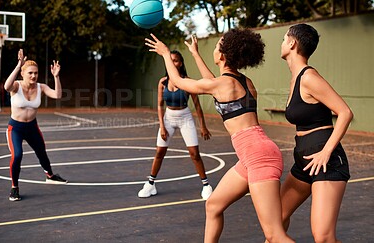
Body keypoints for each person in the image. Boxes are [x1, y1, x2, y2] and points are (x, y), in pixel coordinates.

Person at [145, 30, 294, 243]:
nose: (214, 49)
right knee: (213, 205)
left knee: (274, 234)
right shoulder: (242, 81)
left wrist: (166, 54)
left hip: (259, 156)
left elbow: (178, 81)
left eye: (217, 46)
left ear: (223, 55)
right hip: (253, 155)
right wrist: (195, 54)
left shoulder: (222, 84)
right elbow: (213, 82)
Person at [278, 23, 353, 242]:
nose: (281, 43)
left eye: (284, 39)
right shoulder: (296, 78)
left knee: (323, 237)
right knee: (276, 220)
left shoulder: (309, 77)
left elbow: (345, 112)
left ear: (292, 43)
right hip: (304, 160)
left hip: (326, 161)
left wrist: (326, 151)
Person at [138, 50, 213, 200]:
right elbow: (159, 105)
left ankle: (206, 186)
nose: (174, 63)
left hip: (185, 117)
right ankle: (150, 184)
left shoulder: (188, 82)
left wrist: (203, 126)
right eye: (171, 60)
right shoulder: (162, 82)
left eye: (177, 60)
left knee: (194, 154)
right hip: (168, 118)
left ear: (181, 63)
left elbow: (197, 106)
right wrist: (162, 126)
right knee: (160, 152)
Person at [4, 49, 68, 201]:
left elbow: (58, 95)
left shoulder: (41, 87)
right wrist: (19, 64)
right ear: (23, 73)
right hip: (16, 129)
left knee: (42, 152)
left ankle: (50, 175)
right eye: (30, 73)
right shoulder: (16, 86)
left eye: (36, 73)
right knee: (17, 155)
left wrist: (56, 77)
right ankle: (14, 188)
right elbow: (6, 86)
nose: (33, 76)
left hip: (32, 127)